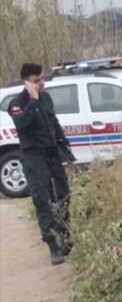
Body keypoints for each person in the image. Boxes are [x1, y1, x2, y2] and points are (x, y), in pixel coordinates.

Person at [7, 63, 75, 265]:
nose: (41, 83)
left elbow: (54, 124)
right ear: (26, 82)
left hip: (52, 154)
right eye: (37, 81)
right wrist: (33, 101)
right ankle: (52, 243)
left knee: (63, 195)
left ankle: (65, 236)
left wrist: (66, 149)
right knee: (42, 200)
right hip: (33, 158)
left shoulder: (46, 97)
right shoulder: (17, 103)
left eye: (42, 79)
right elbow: (22, 123)